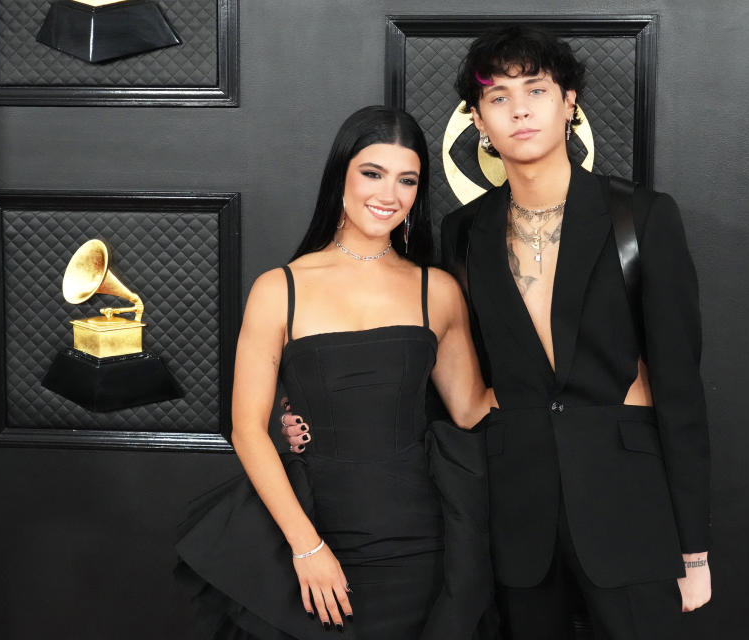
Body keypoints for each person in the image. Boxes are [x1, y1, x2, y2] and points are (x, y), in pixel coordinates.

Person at [285, 26, 712, 639]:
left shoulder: (640, 217)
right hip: (513, 514)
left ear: (569, 104)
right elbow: (441, 376)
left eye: (536, 90)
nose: (519, 109)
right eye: (498, 96)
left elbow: (680, 389)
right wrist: (304, 418)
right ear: (479, 121)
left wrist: (693, 547)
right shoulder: (462, 232)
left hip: (628, 508)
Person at [176, 105, 497, 640]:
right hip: (317, 532)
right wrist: (307, 547)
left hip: (422, 542)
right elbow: (248, 429)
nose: (388, 194)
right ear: (341, 176)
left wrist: (570, 376)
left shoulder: (436, 290)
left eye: (407, 180)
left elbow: (469, 408)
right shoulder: (280, 288)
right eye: (372, 173)